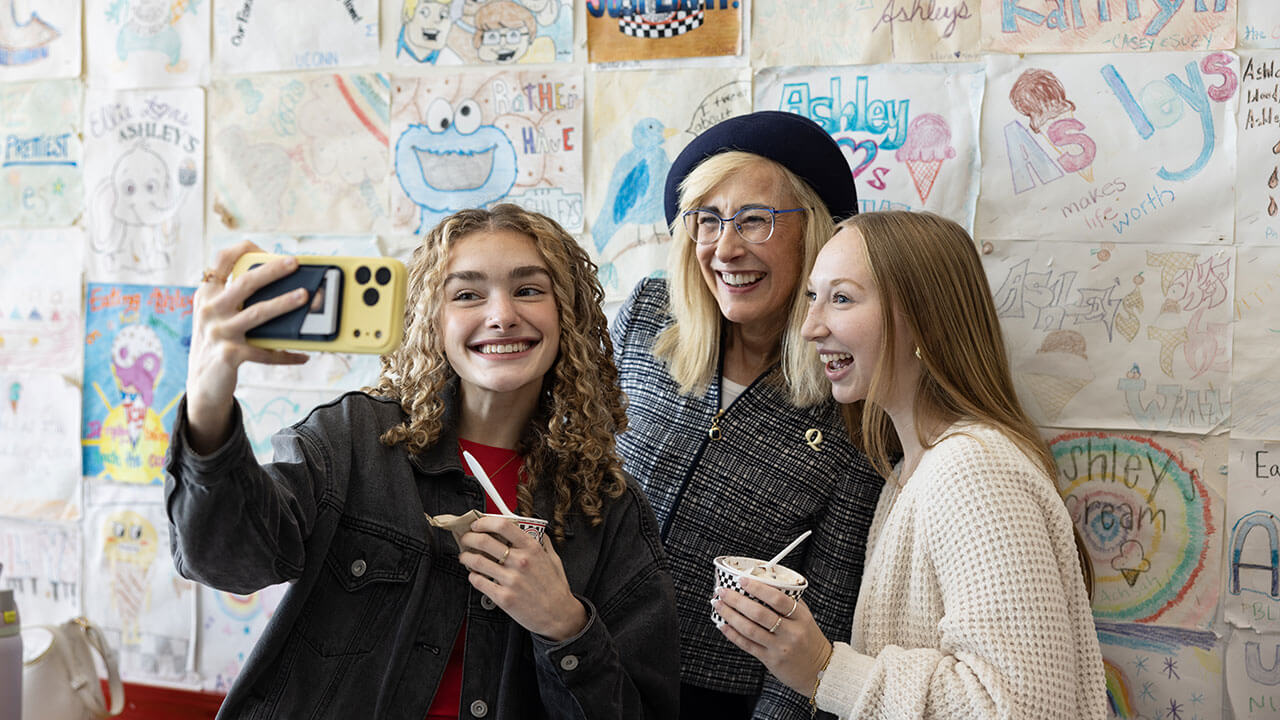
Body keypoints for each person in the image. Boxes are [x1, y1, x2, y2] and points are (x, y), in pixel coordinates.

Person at [165, 204, 680, 719]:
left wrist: (565, 625)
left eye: (528, 290)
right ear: (432, 320)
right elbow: (223, 559)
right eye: (467, 294)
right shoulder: (354, 440)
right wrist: (208, 402)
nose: (501, 315)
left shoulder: (608, 511)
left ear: (568, 313)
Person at [712, 210, 1107, 718]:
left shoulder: (974, 473)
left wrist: (823, 668)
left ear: (922, 317)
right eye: (813, 297)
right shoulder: (908, 474)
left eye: (842, 298)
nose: (810, 327)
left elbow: (1022, 707)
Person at [610, 110, 882, 719]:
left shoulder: (852, 398)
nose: (725, 247)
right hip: (581, 659)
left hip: (715, 702)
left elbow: (826, 624)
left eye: (754, 221)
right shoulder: (646, 318)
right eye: (706, 220)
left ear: (814, 232)